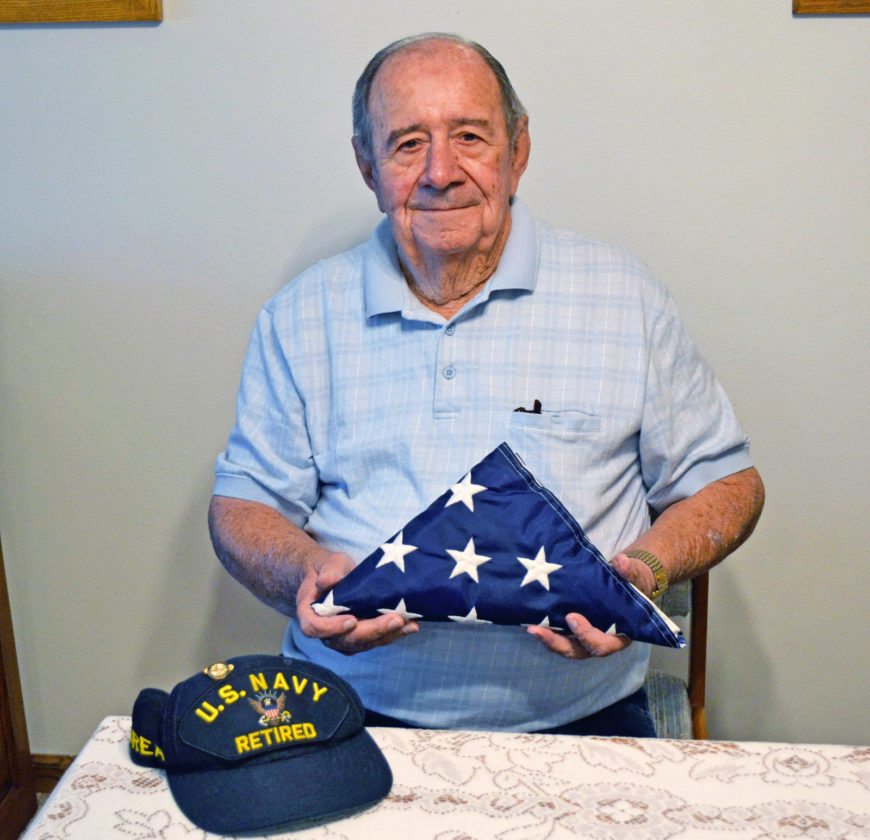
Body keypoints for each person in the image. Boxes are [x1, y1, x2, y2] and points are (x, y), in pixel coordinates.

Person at [209, 33, 764, 737]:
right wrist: (304, 573)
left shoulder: (624, 296)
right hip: (346, 710)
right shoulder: (298, 315)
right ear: (367, 164)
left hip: (583, 715)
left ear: (518, 150)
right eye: (408, 144)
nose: (440, 172)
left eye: (469, 137)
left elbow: (727, 484)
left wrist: (644, 570)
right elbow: (243, 505)